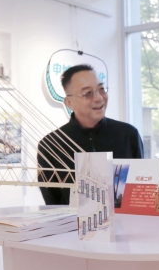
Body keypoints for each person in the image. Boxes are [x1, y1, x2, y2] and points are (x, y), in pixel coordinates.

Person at [37, 64, 143, 205]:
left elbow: (139, 186)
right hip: (71, 220)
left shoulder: (128, 134)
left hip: (125, 219)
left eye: (101, 89)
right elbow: (52, 203)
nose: (99, 98)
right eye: (88, 93)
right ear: (69, 102)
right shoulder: (50, 144)